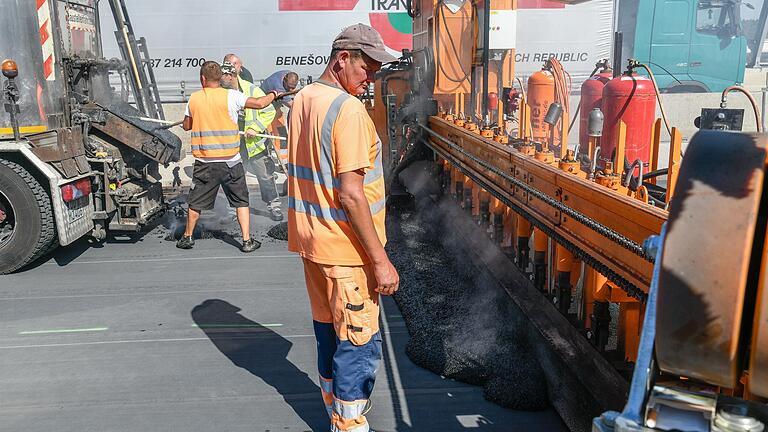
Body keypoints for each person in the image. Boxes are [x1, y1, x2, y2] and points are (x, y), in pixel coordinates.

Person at [287, 24, 398, 432]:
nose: (371, 77)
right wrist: (381, 260)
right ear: (342, 58)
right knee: (357, 341)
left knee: (328, 335)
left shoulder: (304, 99)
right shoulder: (348, 110)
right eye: (367, 67)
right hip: (347, 253)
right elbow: (351, 194)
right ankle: (349, 425)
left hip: (312, 244)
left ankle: (334, 411)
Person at [177, 61, 283, 252]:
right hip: (231, 162)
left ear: (202, 78)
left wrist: (187, 122)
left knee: (195, 203)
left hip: (205, 163)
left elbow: (186, 125)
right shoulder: (232, 96)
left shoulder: (194, 99)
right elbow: (260, 104)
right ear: (219, 78)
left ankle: (187, 237)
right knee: (241, 201)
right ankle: (246, 241)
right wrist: (274, 94)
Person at [222, 57, 283, 221]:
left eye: (224, 74)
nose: (221, 78)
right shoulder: (222, 92)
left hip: (254, 144)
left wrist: (254, 127)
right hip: (233, 144)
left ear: (234, 73)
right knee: (232, 178)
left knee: (265, 176)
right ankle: (232, 211)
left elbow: (269, 110)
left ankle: (274, 206)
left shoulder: (251, 90)